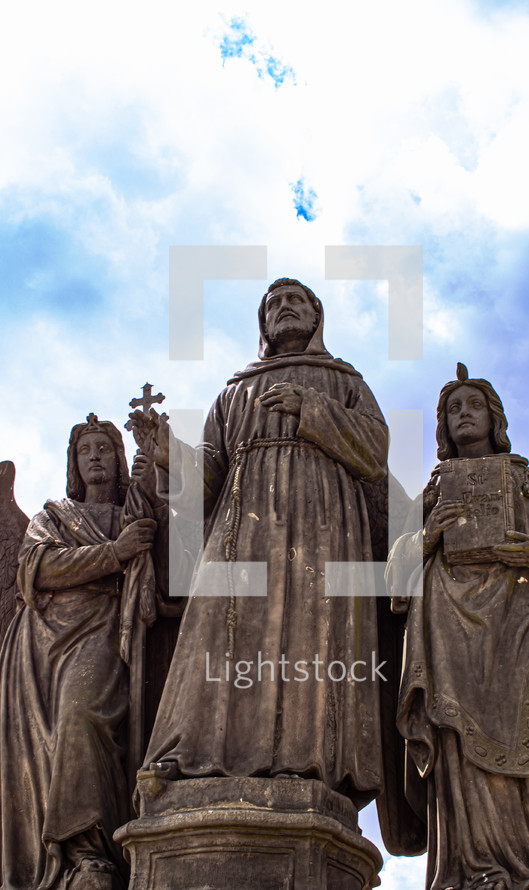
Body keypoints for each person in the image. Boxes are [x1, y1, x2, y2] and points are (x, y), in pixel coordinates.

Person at [128, 278, 389, 809]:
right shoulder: (234, 391)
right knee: (215, 625)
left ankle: (303, 760)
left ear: (317, 318)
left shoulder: (344, 381)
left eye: (296, 301)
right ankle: (190, 758)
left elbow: (375, 450)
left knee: (308, 632)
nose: (285, 309)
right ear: (263, 324)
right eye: (274, 304)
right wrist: (167, 456)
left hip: (321, 520)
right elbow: (207, 478)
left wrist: (310, 408)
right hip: (241, 523)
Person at [388, 364, 529, 890]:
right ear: (442, 427)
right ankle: (477, 869)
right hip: (448, 630)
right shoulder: (432, 494)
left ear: (494, 416)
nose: (463, 416)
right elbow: (394, 572)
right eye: (452, 409)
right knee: (459, 746)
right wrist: (426, 538)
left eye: (472, 405)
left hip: (526, 620)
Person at [0, 415, 157, 890]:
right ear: (74, 461)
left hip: (106, 628)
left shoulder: (134, 510)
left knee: (81, 716)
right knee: (46, 741)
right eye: (85, 449)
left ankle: (91, 851)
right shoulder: (54, 515)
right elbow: (37, 566)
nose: (93, 457)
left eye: (103, 449)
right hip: (42, 641)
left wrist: (159, 465)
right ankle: (70, 862)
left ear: (118, 459)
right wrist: (115, 553)